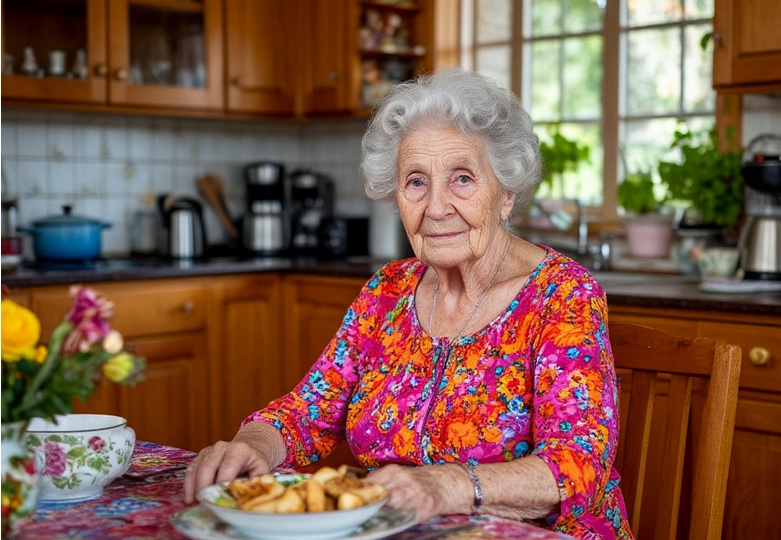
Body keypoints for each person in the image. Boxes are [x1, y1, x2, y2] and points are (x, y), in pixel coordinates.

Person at [184, 68, 633, 540]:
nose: (436, 207)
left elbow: (579, 464)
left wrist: (448, 487)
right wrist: (252, 443)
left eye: (462, 178)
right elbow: (309, 410)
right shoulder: (387, 291)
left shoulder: (562, 294)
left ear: (506, 194)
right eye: (416, 182)